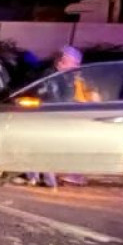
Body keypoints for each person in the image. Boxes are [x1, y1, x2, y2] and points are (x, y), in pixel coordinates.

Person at [23, 45, 85, 188]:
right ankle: (44, 177)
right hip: (45, 119)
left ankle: (45, 176)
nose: (77, 67)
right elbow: (55, 102)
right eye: (74, 63)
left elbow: (67, 100)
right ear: (62, 62)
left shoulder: (65, 77)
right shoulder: (50, 76)